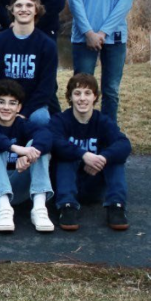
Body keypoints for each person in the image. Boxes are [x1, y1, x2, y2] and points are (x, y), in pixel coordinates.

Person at [51, 73, 132, 231]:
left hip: (93, 183)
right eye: (77, 93)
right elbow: (53, 142)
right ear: (70, 97)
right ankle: (67, 207)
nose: (82, 98)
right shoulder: (60, 120)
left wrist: (102, 158)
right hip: (64, 183)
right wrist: (83, 155)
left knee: (114, 157)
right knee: (65, 155)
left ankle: (116, 205)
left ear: (95, 97)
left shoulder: (102, 121)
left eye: (87, 93)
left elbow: (124, 144)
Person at [0, 80, 54, 233]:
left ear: (19, 107)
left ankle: (39, 208)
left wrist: (28, 154)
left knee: (37, 147)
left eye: (12, 103)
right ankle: (4, 210)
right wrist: (16, 148)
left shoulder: (23, 124)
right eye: (1, 102)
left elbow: (46, 135)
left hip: (19, 186)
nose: (6, 107)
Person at [0, 0, 58, 127]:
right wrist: (8, 106)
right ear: (12, 10)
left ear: (37, 10)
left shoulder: (47, 45)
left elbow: (46, 87)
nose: (24, 9)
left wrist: (24, 112)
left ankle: (36, 147)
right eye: (19, 5)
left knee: (41, 118)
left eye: (29, 5)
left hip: (35, 106)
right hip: (5, 105)